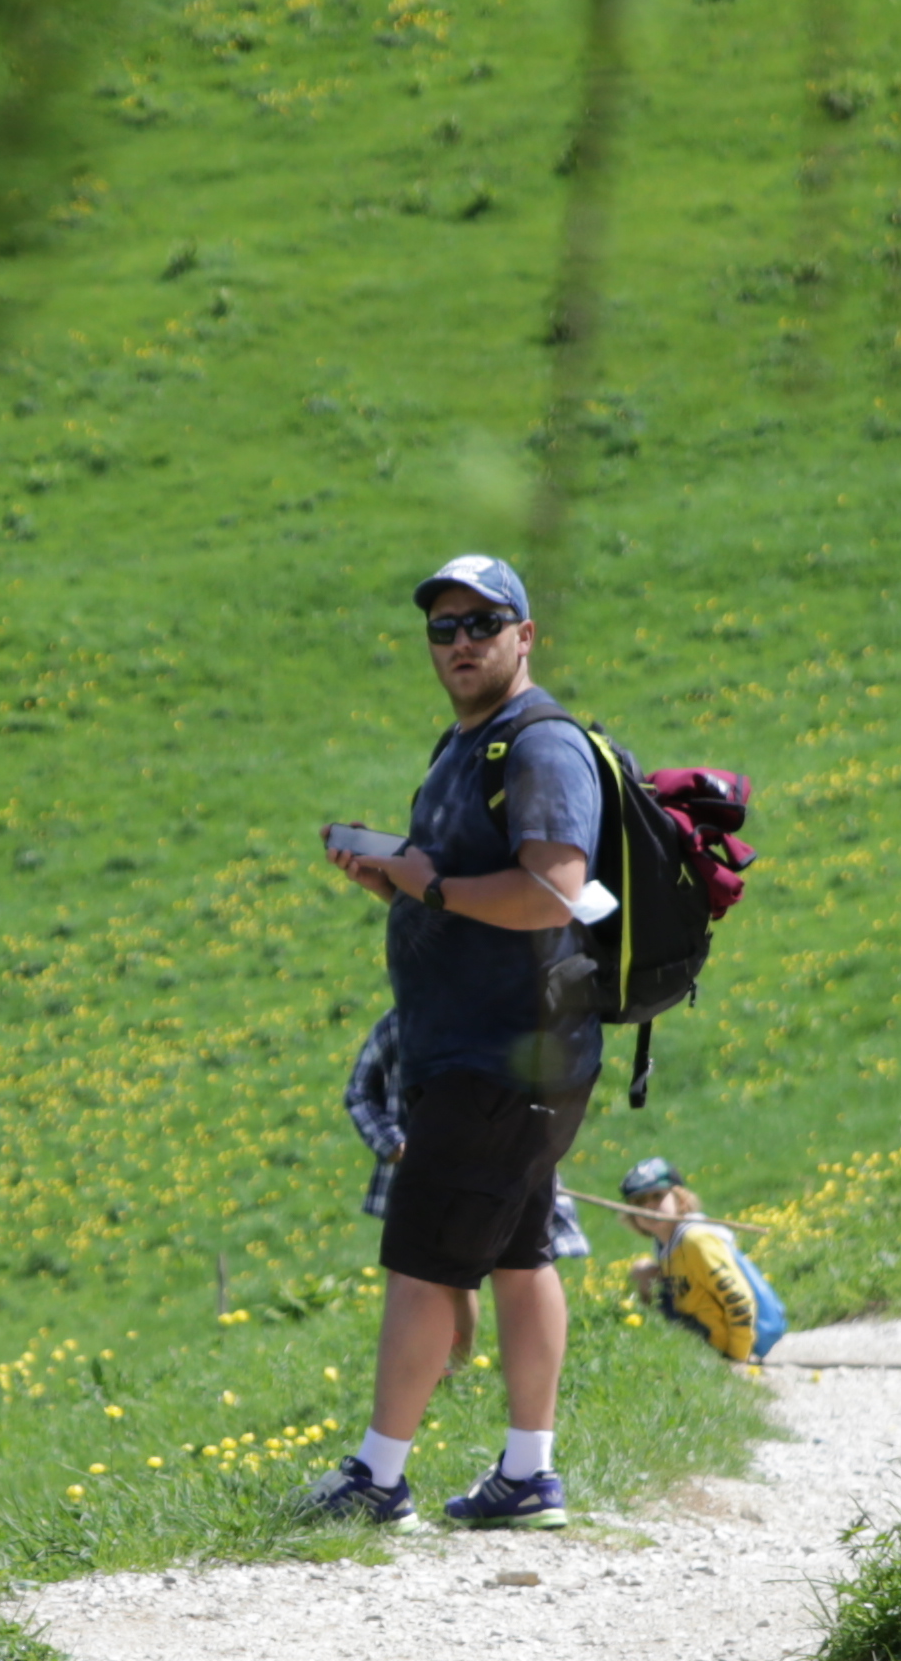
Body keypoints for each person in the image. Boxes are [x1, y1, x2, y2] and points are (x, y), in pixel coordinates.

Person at [297, 550, 604, 1531]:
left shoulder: (541, 745)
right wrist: (399, 877)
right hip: (494, 1054)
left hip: (500, 1053)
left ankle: (379, 1479)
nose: (462, 642)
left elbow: (555, 886)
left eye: (484, 623)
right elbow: (470, 880)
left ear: (525, 635)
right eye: (445, 627)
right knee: (519, 1255)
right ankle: (529, 1474)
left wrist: (430, 884)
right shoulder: (467, 744)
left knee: (425, 1262)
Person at [345, 1011, 581, 1430]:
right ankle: (442, 1374)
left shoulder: (510, 1013)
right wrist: (392, 1142)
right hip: (421, 1175)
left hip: (505, 1171)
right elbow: (360, 1093)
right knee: (432, 1278)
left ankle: (466, 1373)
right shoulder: (400, 1022)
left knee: (515, 1270)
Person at [609, 1155, 787, 1367]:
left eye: (657, 1196)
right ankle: (659, 1341)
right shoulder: (665, 1243)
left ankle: (713, 1352)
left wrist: (739, 1355)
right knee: (642, 1272)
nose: (649, 1207)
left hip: (727, 1342)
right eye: (638, 1202)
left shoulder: (695, 1240)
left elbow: (738, 1298)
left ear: (680, 1199)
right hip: (699, 1329)